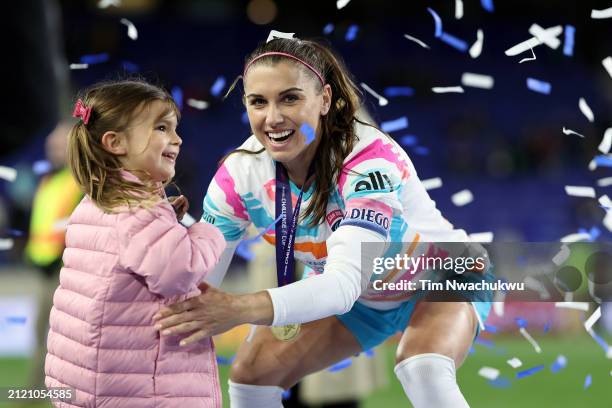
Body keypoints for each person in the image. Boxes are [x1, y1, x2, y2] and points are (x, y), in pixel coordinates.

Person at [154, 37, 495, 408]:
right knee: (251, 373)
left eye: (290, 98)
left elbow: (341, 287)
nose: (273, 118)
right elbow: (198, 287)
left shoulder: (368, 161)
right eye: (258, 102)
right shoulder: (239, 175)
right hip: (368, 297)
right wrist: (161, 240)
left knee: (422, 367)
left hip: (445, 272)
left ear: (326, 100)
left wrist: (237, 309)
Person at [44, 79, 226, 407]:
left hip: (91, 385)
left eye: (174, 128)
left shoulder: (98, 200)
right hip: (142, 393)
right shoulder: (138, 208)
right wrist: (210, 230)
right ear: (115, 142)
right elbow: (179, 272)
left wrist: (166, 222)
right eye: (161, 127)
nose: (177, 139)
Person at [24, 120, 82, 390]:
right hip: (45, 269)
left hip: (66, 272)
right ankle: (37, 392)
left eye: (59, 144)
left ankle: (51, 393)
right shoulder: (51, 180)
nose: (52, 148)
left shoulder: (80, 182)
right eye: (51, 144)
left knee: (60, 339)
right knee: (41, 336)